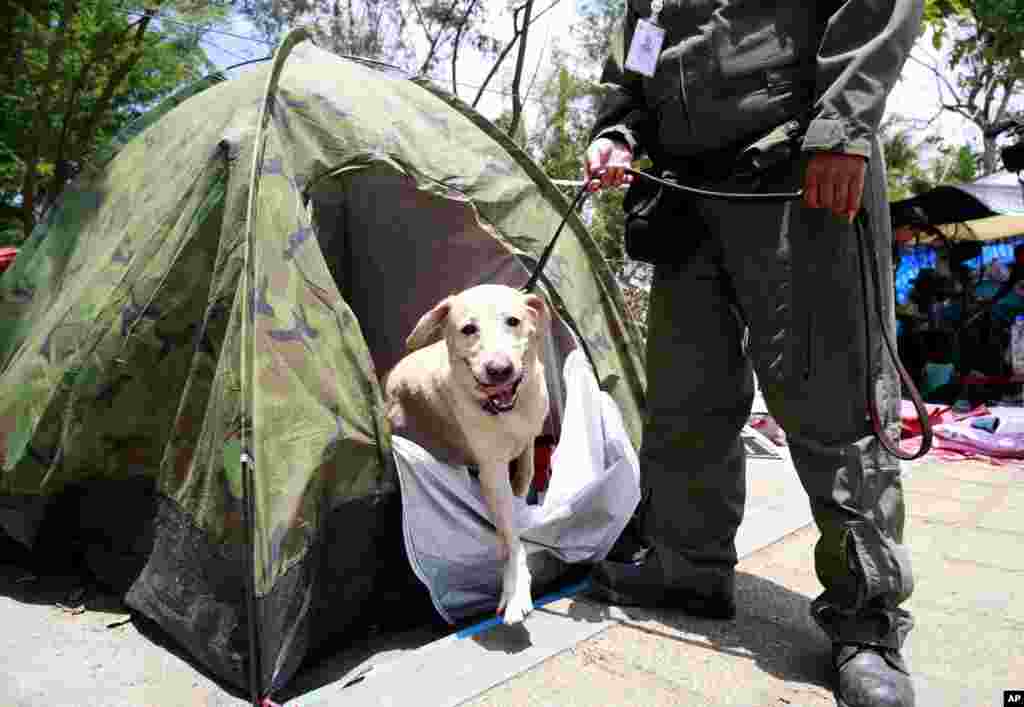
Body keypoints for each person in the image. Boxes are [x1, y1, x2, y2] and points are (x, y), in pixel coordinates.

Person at [582, 3, 923, 707]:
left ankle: (867, 615)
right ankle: (689, 568)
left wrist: (842, 124)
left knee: (831, 390)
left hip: (797, 165)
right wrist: (618, 128)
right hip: (682, 190)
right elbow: (638, 47)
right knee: (685, 393)